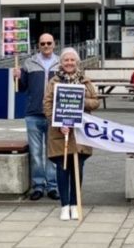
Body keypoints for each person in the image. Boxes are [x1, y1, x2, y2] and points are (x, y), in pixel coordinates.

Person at [43, 48, 100, 220]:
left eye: (72, 60)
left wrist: (80, 101)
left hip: (81, 133)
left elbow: (96, 102)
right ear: (61, 63)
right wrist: (58, 123)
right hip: (60, 132)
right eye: (66, 60)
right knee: (62, 168)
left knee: (77, 168)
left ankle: (75, 204)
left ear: (77, 62)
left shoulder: (85, 81)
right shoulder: (53, 82)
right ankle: (64, 205)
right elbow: (47, 104)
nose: (69, 63)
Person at [12, 33, 60, 201]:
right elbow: (22, 88)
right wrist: (17, 77)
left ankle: (52, 185)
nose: (46, 46)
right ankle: (38, 185)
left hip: (54, 114)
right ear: (38, 45)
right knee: (36, 153)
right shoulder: (28, 63)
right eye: (42, 43)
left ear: (54, 44)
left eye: (49, 43)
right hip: (33, 113)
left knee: (52, 153)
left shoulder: (61, 63)